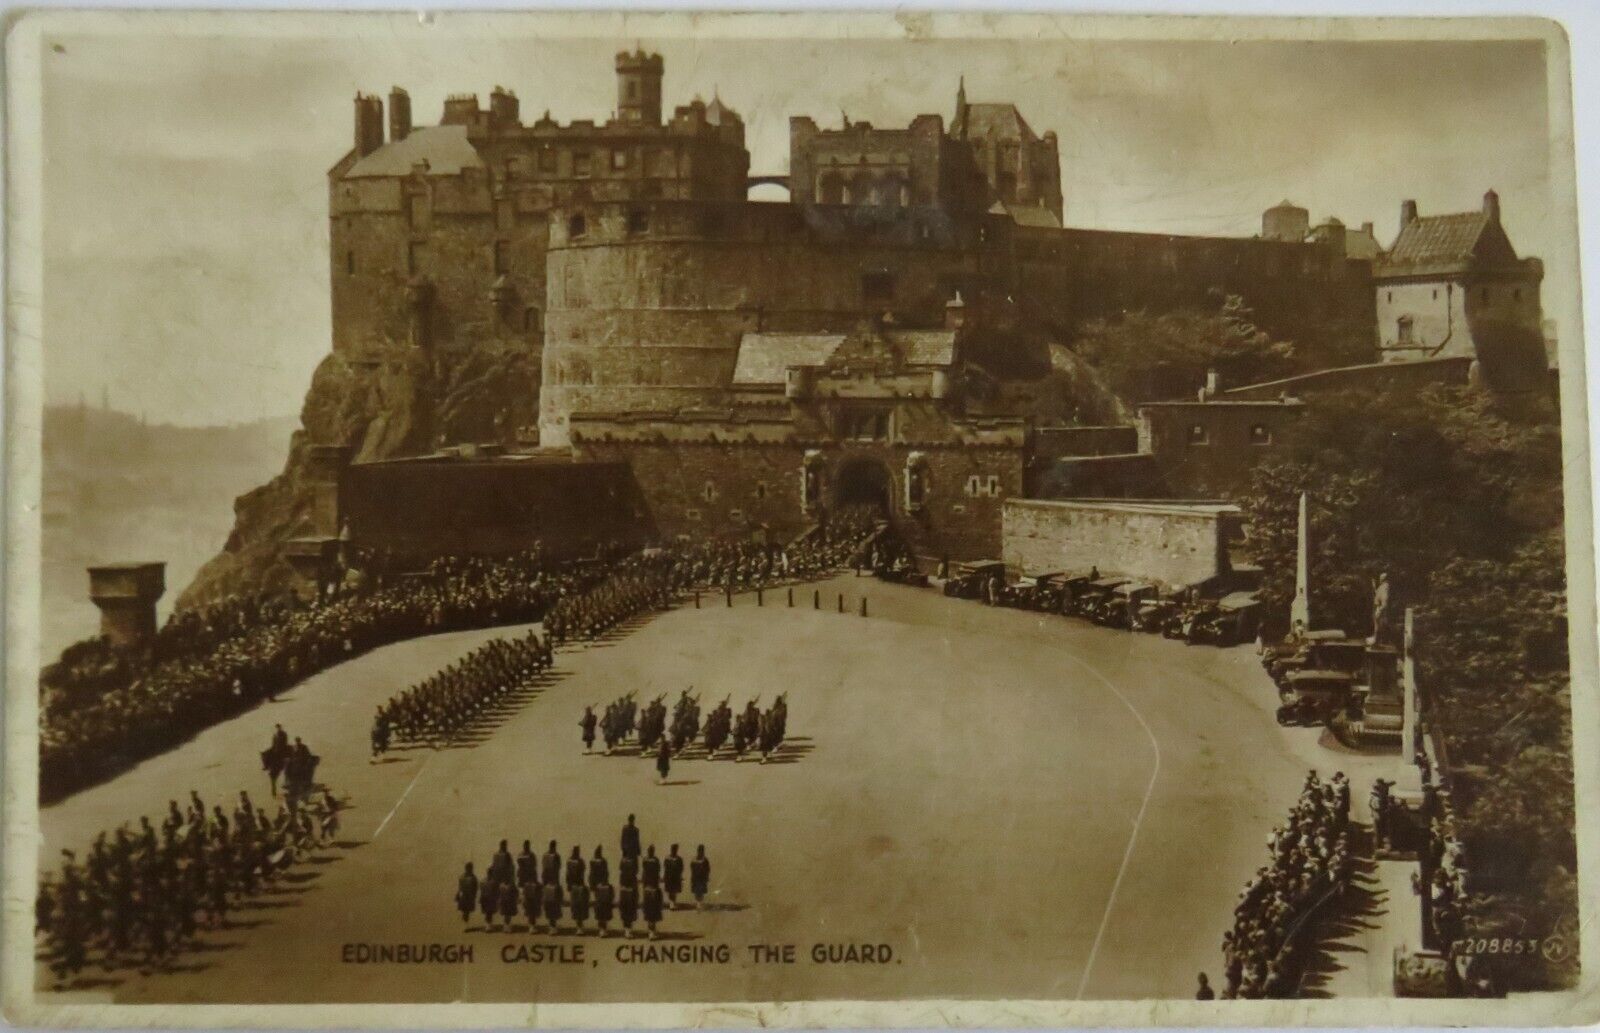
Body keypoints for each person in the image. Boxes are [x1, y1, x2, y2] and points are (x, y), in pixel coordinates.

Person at [663, 844, 684, 909]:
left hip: (676, 877)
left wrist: (679, 875)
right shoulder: (667, 859)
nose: (674, 850)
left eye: (675, 849)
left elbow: (681, 868)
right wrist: (665, 876)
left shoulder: (679, 859)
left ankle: (673, 903)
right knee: (670, 890)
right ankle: (671, 904)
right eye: (673, 849)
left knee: (674, 891)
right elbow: (665, 868)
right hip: (669, 876)